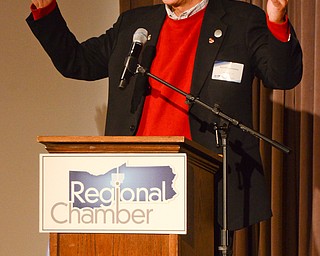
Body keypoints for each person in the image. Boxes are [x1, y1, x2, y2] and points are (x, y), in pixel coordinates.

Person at [27, 0, 302, 254]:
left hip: (202, 184)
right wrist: (46, 10)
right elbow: (77, 62)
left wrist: (277, 22)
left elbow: (282, 76)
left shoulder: (241, 20)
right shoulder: (133, 24)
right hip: (129, 186)